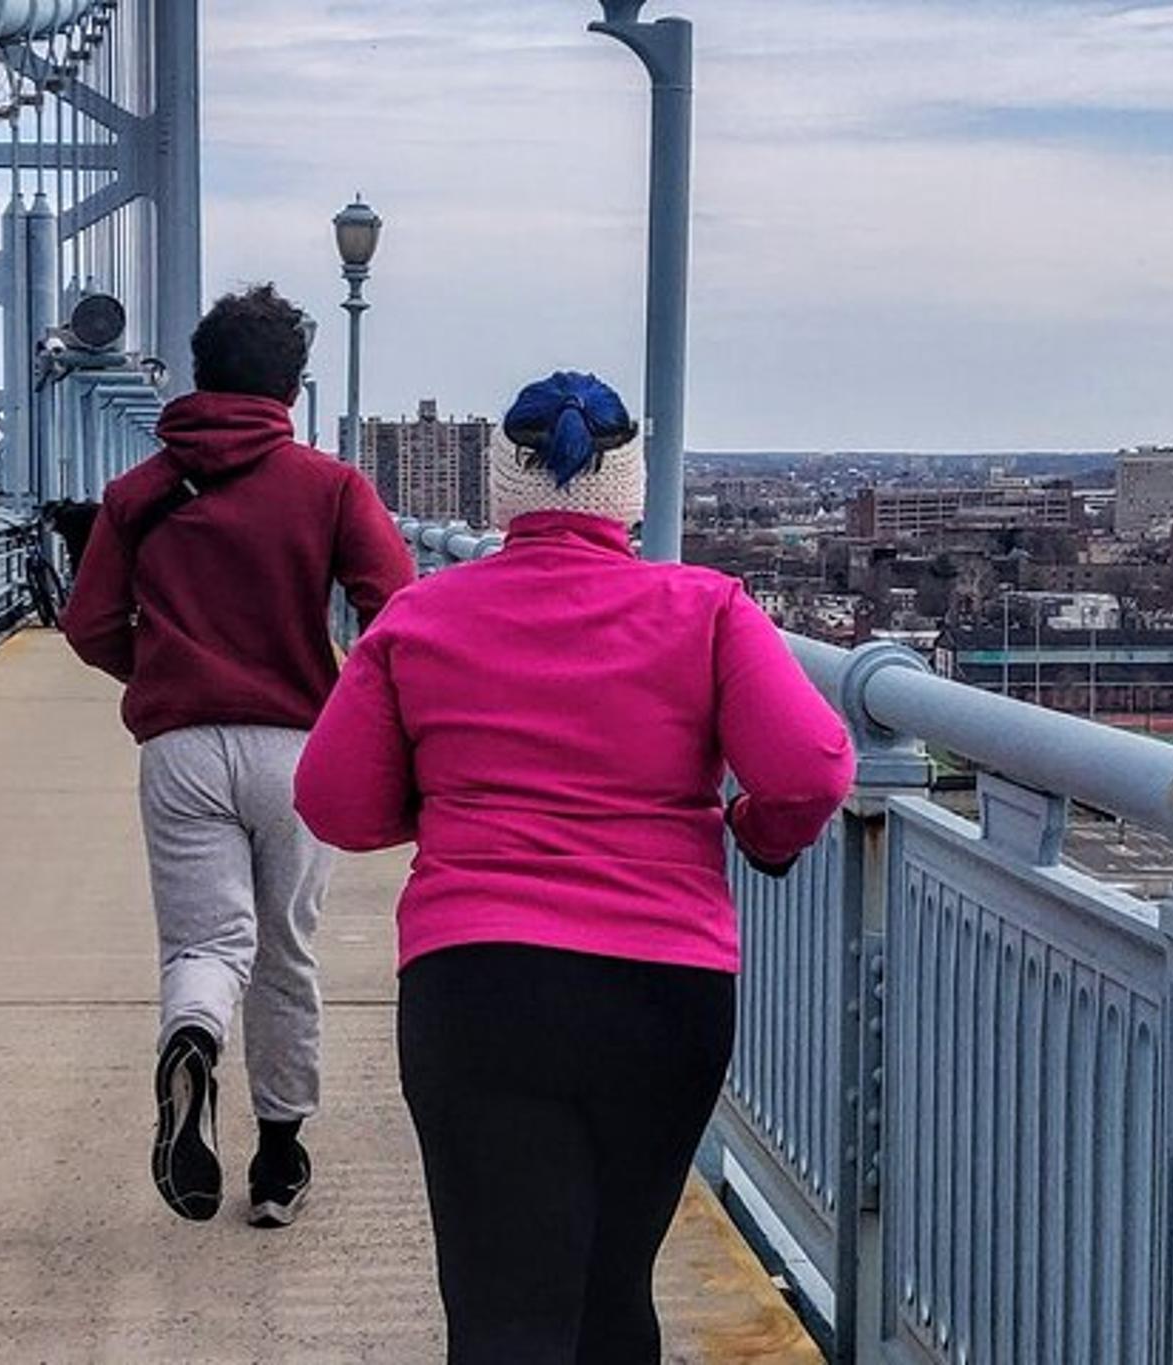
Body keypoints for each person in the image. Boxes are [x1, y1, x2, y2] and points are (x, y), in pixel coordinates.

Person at [294, 372, 856, 1363]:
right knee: (610, 1292)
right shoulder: (708, 609)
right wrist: (755, 832)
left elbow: (333, 801)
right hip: (663, 994)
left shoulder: (420, 618)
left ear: (500, 490)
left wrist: (441, 812)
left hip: (477, 985)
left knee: (503, 1310)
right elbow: (811, 768)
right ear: (630, 492)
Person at [61, 283, 415, 1229]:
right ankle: (279, 1158)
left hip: (180, 745)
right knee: (286, 950)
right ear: (292, 390)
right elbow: (396, 601)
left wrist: (164, 668)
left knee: (207, 943)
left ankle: (192, 1035)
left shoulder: (136, 493)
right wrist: (361, 694)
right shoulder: (331, 487)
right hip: (298, 748)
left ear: (197, 376)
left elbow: (87, 622)